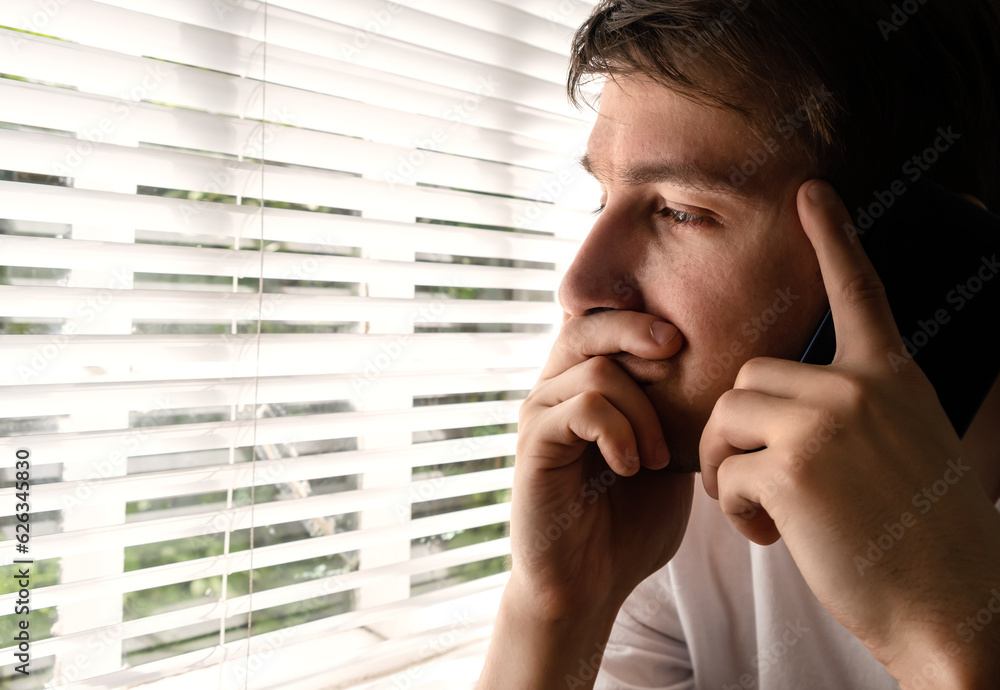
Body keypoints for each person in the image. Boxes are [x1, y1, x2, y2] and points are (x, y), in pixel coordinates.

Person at [475, 0, 1000, 688]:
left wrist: (953, 646)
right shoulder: (673, 513)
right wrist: (554, 611)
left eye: (681, 211)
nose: (578, 287)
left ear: (923, 257)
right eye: (603, 199)